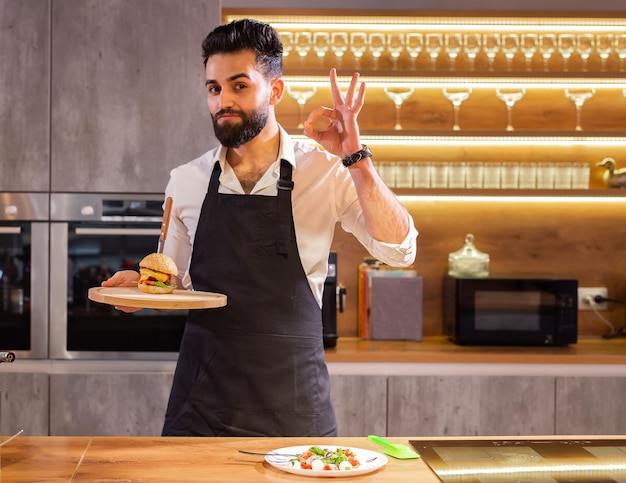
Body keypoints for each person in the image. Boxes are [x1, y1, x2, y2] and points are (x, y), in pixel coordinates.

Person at [102, 18, 418, 437]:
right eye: (213, 89)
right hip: (201, 411)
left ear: (276, 89)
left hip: (294, 409)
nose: (223, 101)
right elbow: (172, 285)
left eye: (239, 85)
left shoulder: (324, 170)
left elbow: (399, 250)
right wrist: (136, 292)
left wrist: (355, 158)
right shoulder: (187, 180)